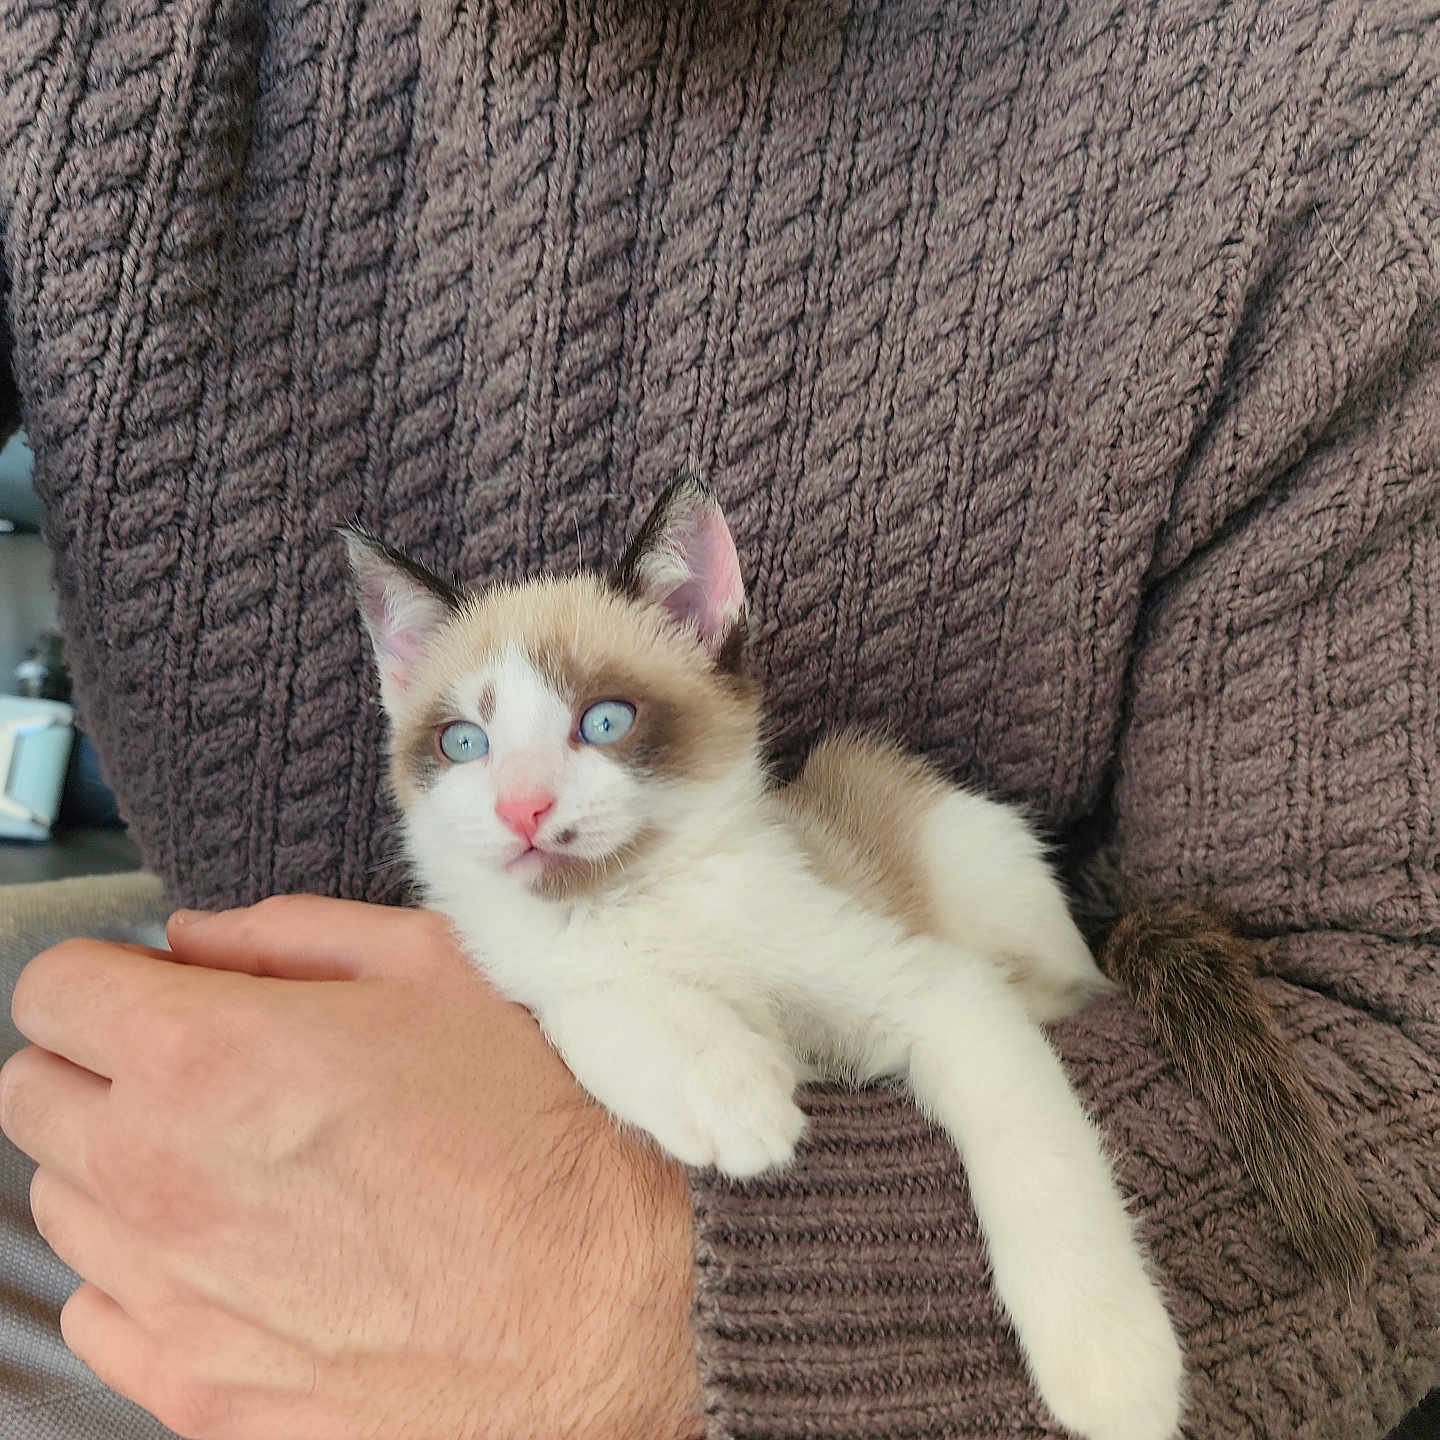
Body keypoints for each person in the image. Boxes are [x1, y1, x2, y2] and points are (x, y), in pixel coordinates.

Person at [0, 0, 1434, 1436]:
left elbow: (1390, 1066)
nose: (523, 794)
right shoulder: (73, 51)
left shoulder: (1335, 99)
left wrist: (646, 1298)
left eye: (608, 721)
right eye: (460, 740)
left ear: (702, 632)